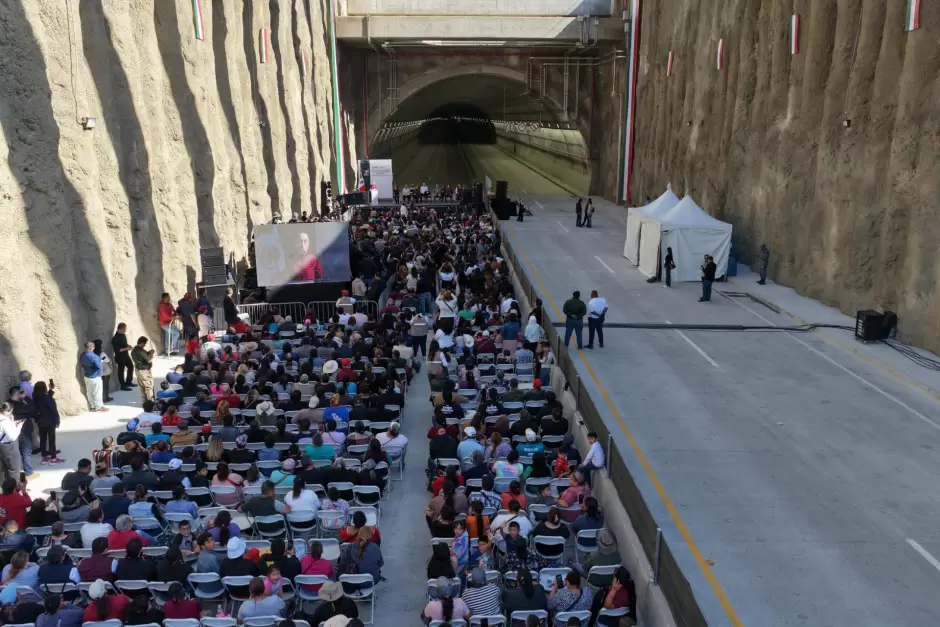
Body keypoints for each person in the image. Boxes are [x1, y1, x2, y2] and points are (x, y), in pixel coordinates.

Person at [33, 382, 63, 465]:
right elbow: (53, 410)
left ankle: (44, 457)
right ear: (44, 389)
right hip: (50, 421)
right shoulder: (48, 398)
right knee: (51, 440)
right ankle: (53, 458)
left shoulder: (35, 397)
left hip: (41, 421)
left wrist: (50, 390)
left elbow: (44, 399)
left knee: (43, 439)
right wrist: (57, 421)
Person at [79, 342, 107, 412]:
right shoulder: (94, 356)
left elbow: (82, 363)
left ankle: (92, 407)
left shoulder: (82, 355)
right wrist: (101, 361)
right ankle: (99, 407)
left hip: (87, 376)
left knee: (89, 391)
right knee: (98, 392)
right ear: (92, 347)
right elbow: (98, 366)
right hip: (95, 376)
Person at [0, 402, 23, 481]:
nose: (11, 413)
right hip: (8, 447)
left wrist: (12, 422)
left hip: (1, 446)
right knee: (14, 470)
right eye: (11, 411)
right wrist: (19, 426)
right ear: (8, 411)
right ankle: (15, 490)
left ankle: (5, 489)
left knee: (3, 469)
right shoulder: (5, 421)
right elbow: (13, 437)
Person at [130, 336, 155, 403]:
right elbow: (149, 360)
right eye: (144, 344)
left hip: (138, 370)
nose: (144, 345)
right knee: (148, 387)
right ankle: (151, 403)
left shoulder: (134, 350)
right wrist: (152, 354)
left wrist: (149, 352)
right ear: (142, 343)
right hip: (144, 372)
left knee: (142, 388)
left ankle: (144, 403)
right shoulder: (141, 351)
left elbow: (144, 355)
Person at [111, 323, 135, 390]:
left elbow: (124, 344)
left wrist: (128, 346)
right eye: (124, 329)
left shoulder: (123, 335)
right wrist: (126, 348)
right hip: (120, 357)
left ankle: (128, 382)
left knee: (131, 366)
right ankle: (122, 385)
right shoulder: (115, 339)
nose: (125, 330)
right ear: (120, 329)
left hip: (126, 355)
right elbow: (118, 350)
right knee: (121, 371)